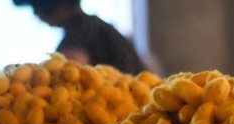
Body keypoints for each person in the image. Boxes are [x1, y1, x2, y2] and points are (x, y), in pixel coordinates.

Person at [12, 0, 145, 74]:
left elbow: (69, 74)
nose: (36, 15)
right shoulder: (95, 25)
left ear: (60, 5)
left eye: (39, 7)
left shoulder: (79, 32)